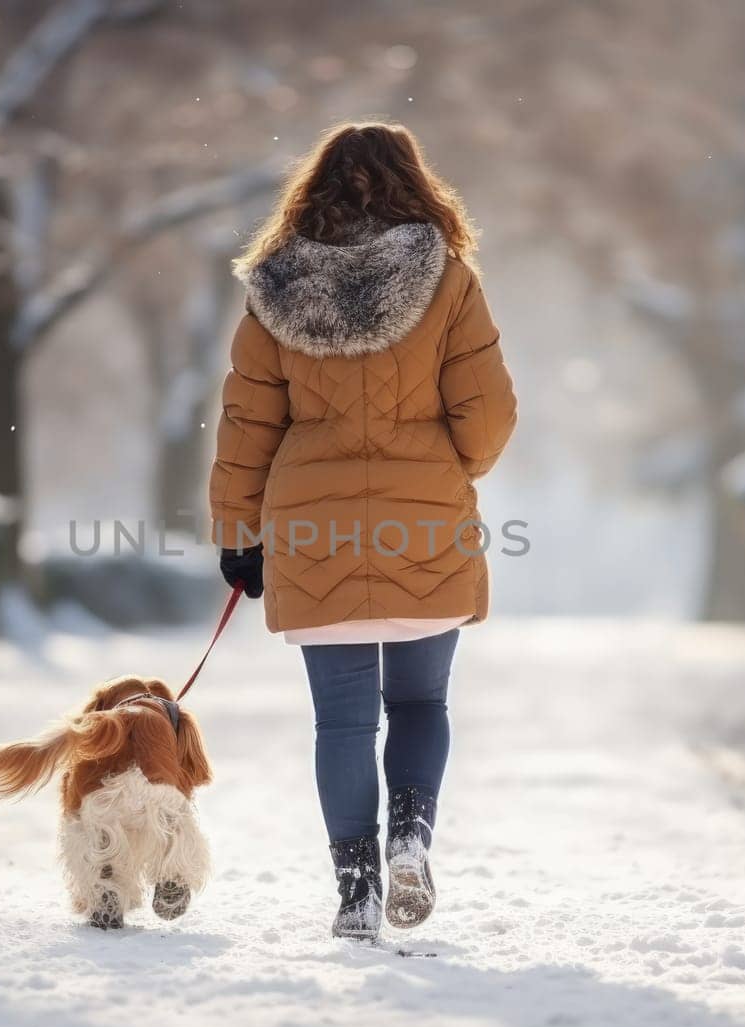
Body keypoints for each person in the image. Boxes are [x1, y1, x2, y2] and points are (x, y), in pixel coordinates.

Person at [208, 120, 519, 940]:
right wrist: (447, 466)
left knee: (341, 723)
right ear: (416, 185)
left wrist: (238, 534)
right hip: (424, 526)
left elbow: (246, 424)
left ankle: (357, 889)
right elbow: (488, 417)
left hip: (312, 531)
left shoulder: (274, 289)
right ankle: (412, 833)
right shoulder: (449, 282)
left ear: (310, 191)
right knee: (420, 701)